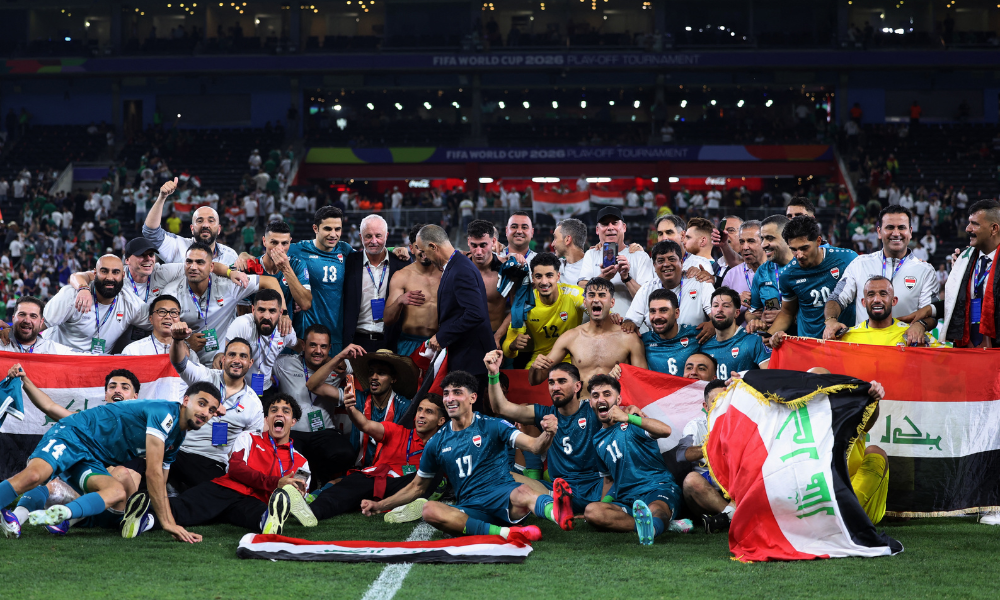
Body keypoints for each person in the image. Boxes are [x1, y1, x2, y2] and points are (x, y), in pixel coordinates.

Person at [0, 383, 221, 543]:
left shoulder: (177, 437)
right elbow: (153, 473)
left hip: (92, 457)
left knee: (116, 492)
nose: (205, 413)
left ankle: (63, 515)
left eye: (211, 410)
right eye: (201, 404)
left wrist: (172, 523)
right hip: (73, 434)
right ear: (185, 400)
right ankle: (22, 513)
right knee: (34, 476)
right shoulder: (165, 413)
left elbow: (161, 483)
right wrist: (167, 523)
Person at [359, 371, 561, 540]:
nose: (449, 398)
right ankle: (507, 534)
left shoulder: (492, 425)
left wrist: (548, 433)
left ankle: (559, 513)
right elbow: (416, 487)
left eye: (457, 392)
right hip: (470, 508)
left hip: (504, 500)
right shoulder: (437, 442)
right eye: (446, 393)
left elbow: (535, 447)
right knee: (429, 510)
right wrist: (379, 505)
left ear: (473, 398)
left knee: (523, 491)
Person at [123, 393, 316, 538]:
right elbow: (236, 469)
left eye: (285, 411)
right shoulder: (249, 438)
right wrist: (275, 483)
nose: (278, 414)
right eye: (273, 410)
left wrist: (297, 493)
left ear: (294, 421)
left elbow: (299, 492)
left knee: (257, 514)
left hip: (255, 501)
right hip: (227, 489)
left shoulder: (301, 462)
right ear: (266, 419)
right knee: (185, 508)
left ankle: (268, 521)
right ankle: (143, 520)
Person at [485, 351, 607, 528]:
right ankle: (555, 507)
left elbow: (618, 411)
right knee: (500, 475)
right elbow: (500, 407)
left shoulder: (593, 408)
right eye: (551, 382)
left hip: (596, 488)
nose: (555, 387)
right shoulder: (544, 413)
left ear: (577, 386)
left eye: (562, 381)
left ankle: (573, 507)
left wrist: (632, 410)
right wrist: (493, 373)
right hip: (558, 490)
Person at [307, 391, 448, 522]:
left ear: (441, 421)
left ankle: (402, 507)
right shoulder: (396, 431)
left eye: (429, 412)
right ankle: (310, 513)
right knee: (345, 490)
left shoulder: (441, 446)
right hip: (374, 480)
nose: (421, 415)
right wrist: (351, 409)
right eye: (419, 410)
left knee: (432, 474)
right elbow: (365, 425)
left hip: (406, 487)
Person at [582, 375, 684, 545]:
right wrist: (603, 505)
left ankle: (651, 528)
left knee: (656, 509)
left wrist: (629, 418)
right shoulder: (597, 440)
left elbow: (665, 430)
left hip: (657, 488)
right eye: (595, 396)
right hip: (627, 499)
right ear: (591, 403)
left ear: (618, 399)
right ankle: (661, 525)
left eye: (607, 394)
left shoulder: (633, 420)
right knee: (592, 512)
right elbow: (609, 479)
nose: (601, 399)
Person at [155, 242, 286, 367]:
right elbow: (161, 335)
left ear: (212, 267)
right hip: (187, 363)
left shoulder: (228, 286)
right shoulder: (171, 293)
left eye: (200, 262)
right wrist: (185, 343)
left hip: (222, 363)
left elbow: (270, 281)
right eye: (189, 261)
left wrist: (284, 314)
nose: (193, 267)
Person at [825, 206, 938, 345]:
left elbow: (932, 313)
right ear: (879, 231)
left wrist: (921, 325)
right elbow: (836, 298)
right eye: (890, 227)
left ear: (910, 232)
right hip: (865, 350)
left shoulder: (925, 271)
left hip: (905, 352)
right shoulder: (860, 264)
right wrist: (830, 321)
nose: (896, 233)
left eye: (901, 227)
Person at [169, 329, 265, 491]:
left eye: (243, 356)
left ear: (250, 362)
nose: (237, 360)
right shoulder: (205, 376)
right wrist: (178, 340)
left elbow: (251, 448)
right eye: (232, 355)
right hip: (179, 451)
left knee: (222, 494)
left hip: (211, 462)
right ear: (224, 358)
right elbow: (180, 363)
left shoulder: (253, 404)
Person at [274, 324, 356, 485]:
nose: (318, 351)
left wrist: (339, 362)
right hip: (293, 433)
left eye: (323, 346)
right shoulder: (284, 364)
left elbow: (356, 370)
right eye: (313, 345)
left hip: (325, 432)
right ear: (303, 345)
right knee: (289, 459)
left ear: (330, 348)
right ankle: (311, 480)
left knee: (346, 453)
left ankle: (321, 474)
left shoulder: (339, 368)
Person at [530, 278, 647, 386]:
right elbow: (535, 380)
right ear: (585, 303)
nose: (596, 300)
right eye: (591, 295)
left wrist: (624, 376)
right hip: (582, 405)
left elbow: (643, 382)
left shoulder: (629, 338)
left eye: (602, 295)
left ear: (612, 302)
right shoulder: (571, 337)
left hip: (617, 405)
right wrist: (535, 367)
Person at [416, 224, 495, 382]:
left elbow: (475, 313)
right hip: (466, 355)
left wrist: (442, 336)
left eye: (424, 251)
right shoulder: (456, 266)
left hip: (471, 358)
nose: (424, 256)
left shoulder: (461, 270)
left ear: (433, 246)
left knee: (470, 406)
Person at [768, 216, 858, 345]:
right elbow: (787, 312)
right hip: (810, 345)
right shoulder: (788, 274)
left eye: (804, 248)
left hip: (846, 342)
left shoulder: (847, 259)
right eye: (793, 249)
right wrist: (770, 335)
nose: (799, 255)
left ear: (818, 241)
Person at [43, 254, 150, 354]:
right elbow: (36, 325)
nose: (109, 277)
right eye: (104, 271)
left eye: (115, 272)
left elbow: (158, 322)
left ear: (123, 275)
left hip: (96, 367)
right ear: (94, 273)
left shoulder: (129, 302)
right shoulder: (71, 295)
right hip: (59, 361)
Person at [288, 206, 354, 357]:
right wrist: (245, 255)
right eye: (328, 229)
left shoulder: (345, 250)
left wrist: (392, 250)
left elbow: (371, 258)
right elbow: (266, 257)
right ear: (315, 228)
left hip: (336, 336)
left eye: (338, 229)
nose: (333, 234)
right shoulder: (298, 250)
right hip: (306, 336)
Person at [501, 253, 585, 368]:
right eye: (539, 276)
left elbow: (598, 312)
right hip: (540, 361)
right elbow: (507, 349)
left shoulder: (574, 294)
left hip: (572, 360)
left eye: (549, 275)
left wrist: (612, 317)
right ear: (533, 278)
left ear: (558, 276)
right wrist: (513, 346)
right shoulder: (524, 303)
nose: (544, 282)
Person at [343, 215, 409, 353]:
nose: (374, 241)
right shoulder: (349, 262)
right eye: (368, 236)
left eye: (378, 236)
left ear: (387, 236)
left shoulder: (402, 263)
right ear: (361, 237)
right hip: (356, 343)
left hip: (391, 341)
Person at [676, 379, 734, 533]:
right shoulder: (696, 425)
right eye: (715, 402)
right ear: (706, 407)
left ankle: (723, 520)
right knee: (691, 481)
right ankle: (733, 517)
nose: (721, 407)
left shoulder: (744, 423)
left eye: (725, 401)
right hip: (708, 494)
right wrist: (711, 447)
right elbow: (682, 454)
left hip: (735, 489)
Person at [576, 207, 655, 317]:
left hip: (631, 328)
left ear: (624, 227)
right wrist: (603, 278)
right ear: (597, 230)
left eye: (614, 223)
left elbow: (648, 299)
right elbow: (580, 288)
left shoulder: (640, 256)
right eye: (604, 224)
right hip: (598, 328)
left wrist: (626, 278)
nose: (610, 227)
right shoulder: (591, 254)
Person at [623, 240, 714, 337]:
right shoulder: (646, 289)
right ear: (654, 266)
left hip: (694, 345)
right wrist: (629, 326)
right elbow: (631, 320)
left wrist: (713, 324)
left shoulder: (700, 282)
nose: (666, 264)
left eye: (671, 259)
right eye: (661, 261)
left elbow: (717, 316)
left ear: (682, 262)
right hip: (658, 348)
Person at [341, 350, 415, 468]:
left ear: (393, 379)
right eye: (371, 372)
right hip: (358, 467)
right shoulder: (357, 398)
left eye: (381, 373)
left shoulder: (405, 406)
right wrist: (340, 356)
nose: (374, 377)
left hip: (389, 469)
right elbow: (315, 387)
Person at [943, 200, 1000, 348]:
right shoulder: (963, 260)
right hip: (967, 349)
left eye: (975, 224)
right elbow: (953, 301)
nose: (968, 228)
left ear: (994, 229)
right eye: (969, 223)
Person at [143, 178, 238, 265]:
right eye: (199, 221)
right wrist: (162, 197)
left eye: (211, 221)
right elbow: (151, 233)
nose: (205, 225)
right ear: (192, 228)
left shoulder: (231, 256)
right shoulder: (178, 248)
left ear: (219, 229)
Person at [218, 289, 298, 392]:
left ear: (280, 312)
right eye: (261, 310)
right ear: (253, 310)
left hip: (266, 388)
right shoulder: (242, 325)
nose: (266, 316)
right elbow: (228, 358)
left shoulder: (285, 329)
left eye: (272, 311)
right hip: (238, 388)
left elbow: (298, 346)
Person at [834, 276, 943, 346]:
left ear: (894, 301)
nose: (877, 300)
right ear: (863, 302)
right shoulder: (846, 337)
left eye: (883, 294)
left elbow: (948, 358)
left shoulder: (913, 335)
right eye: (871, 295)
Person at [384, 223, 440, 359]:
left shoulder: (447, 273)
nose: (423, 251)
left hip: (439, 341)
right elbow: (387, 319)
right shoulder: (402, 276)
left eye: (428, 246)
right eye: (418, 247)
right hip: (409, 342)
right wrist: (399, 301)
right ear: (411, 249)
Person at [235, 220, 312, 315]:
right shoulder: (250, 266)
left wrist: (286, 269)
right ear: (264, 241)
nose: (280, 248)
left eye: (284, 243)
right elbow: (243, 313)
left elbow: (305, 304)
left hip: (289, 328)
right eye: (274, 242)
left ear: (290, 242)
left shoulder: (297, 264)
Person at [699, 288, 771, 380]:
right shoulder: (704, 347)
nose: (719, 310)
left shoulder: (753, 340)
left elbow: (770, 378)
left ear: (737, 313)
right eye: (715, 305)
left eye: (726, 306)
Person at [746, 215, 793, 335]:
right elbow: (752, 312)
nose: (763, 244)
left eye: (770, 238)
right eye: (762, 239)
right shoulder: (762, 271)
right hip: (773, 343)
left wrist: (787, 315)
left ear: (787, 238)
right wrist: (755, 322)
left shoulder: (803, 265)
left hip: (802, 341)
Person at [466, 219, 510, 346]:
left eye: (483, 245)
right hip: (465, 336)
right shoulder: (458, 268)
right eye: (474, 245)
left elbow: (516, 307)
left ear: (494, 242)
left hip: (495, 334)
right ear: (468, 242)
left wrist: (498, 336)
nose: (478, 252)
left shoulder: (507, 269)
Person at [641, 289, 702, 376]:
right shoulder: (642, 341)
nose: (657, 316)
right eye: (653, 311)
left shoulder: (697, 335)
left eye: (663, 310)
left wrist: (712, 325)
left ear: (676, 313)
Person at [121, 294, 195, 358]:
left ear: (179, 319)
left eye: (173, 312)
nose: (168, 316)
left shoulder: (188, 353)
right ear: (151, 319)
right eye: (162, 312)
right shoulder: (133, 350)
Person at [0, 296, 75, 354]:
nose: (27, 321)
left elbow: (84, 360)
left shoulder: (53, 350)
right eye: (22, 314)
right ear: (13, 318)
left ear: (41, 322)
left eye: (33, 316)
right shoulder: (2, 345)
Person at [720, 220, 765, 307]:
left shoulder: (777, 271)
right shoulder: (731, 275)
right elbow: (721, 309)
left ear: (764, 242)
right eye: (742, 242)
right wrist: (734, 300)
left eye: (751, 241)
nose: (744, 247)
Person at [552, 218, 587, 286]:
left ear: (567, 240)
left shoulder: (594, 266)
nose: (552, 244)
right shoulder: (556, 266)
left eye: (555, 238)